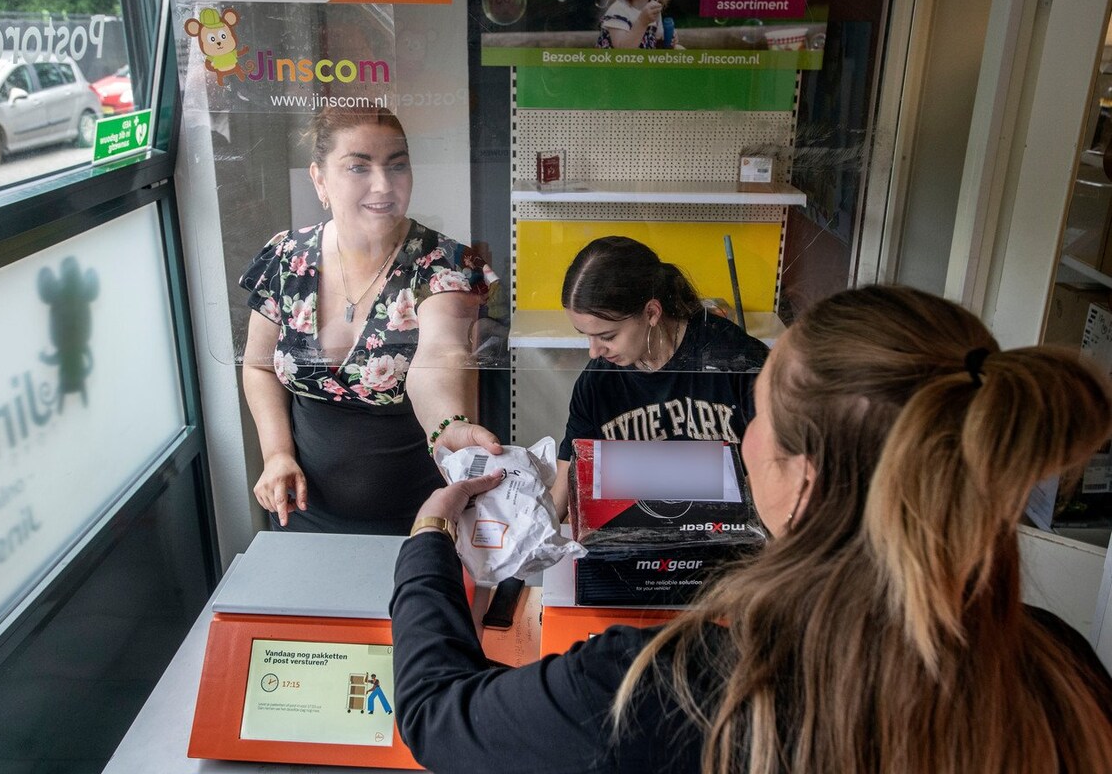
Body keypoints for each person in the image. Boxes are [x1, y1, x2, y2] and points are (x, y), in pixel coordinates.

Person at [390, 285, 1112, 773]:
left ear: (806, 479)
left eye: (759, 414)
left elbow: (436, 717)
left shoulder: (674, 692)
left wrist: (429, 541)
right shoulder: (1065, 672)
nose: (744, 439)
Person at [239, 105, 500, 535]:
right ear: (319, 179)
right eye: (358, 167)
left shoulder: (445, 265)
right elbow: (259, 365)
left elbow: (443, 354)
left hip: (420, 519)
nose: (383, 184)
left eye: (397, 165)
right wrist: (277, 454)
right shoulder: (287, 258)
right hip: (301, 511)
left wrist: (449, 425)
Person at [552, 236, 769, 518]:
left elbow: (779, 468)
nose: (594, 351)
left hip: (729, 530)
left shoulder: (733, 359)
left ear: (651, 313)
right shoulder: (596, 383)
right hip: (637, 534)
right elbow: (564, 488)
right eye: (586, 336)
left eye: (607, 336)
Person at [597, 0, 675, 50]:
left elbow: (657, 44)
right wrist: (642, 22)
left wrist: (668, 40)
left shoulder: (652, 10)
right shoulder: (618, 9)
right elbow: (623, 51)